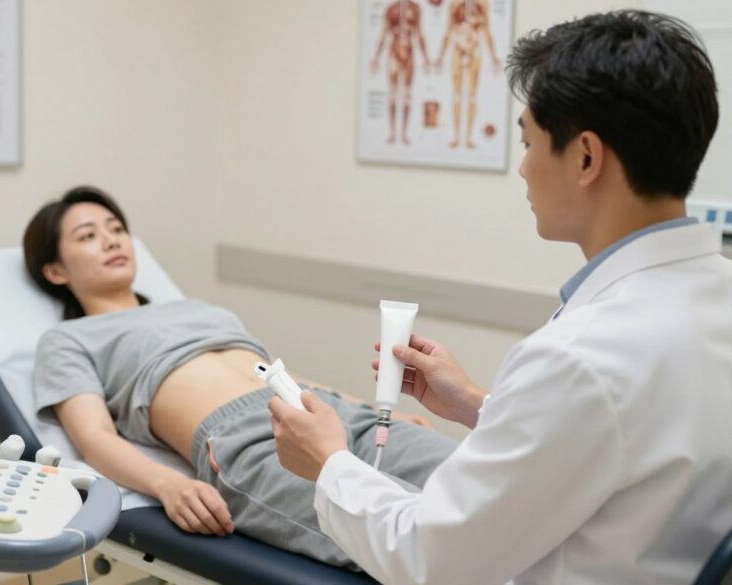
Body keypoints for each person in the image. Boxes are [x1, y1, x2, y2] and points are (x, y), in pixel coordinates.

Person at [270, 10, 731, 584]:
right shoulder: (716, 295)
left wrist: (328, 463)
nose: (522, 167)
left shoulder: (579, 358)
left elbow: (432, 559)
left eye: (529, 140)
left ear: (586, 157)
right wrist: (476, 404)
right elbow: (627, 446)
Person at [23, 186, 457, 568]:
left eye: (116, 228)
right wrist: (168, 484)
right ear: (56, 271)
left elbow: (277, 372)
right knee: (416, 537)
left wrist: (370, 411)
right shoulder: (67, 339)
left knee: (472, 486)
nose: (111, 240)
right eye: (88, 236)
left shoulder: (199, 308)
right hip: (247, 443)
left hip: (324, 411)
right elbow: (93, 437)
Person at [434, 0, 501, 149]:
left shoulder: (483, 4)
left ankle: (469, 137)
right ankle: (457, 136)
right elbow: (449, 30)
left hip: (475, 49)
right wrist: (440, 57)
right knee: (457, 95)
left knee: (471, 95)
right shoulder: (454, 4)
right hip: (458, 47)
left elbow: (487, 31)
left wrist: (494, 56)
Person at [371, 0, 430, 145]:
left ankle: (403, 134)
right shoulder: (391, 8)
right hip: (394, 51)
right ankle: (392, 133)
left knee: (407, 94)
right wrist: (376, 58)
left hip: (409, 52)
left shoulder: (416, 8)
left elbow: (419, 34)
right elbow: (384, 34)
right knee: (393, 93)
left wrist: (426, 59)